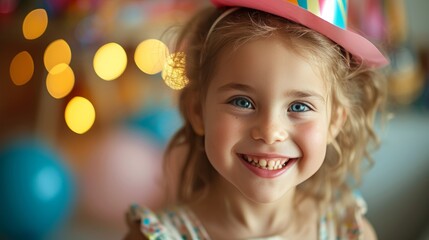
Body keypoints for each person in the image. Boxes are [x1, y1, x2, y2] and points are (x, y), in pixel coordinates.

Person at [125, 0, 388, 239]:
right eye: (242, 102)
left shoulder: (350, 233)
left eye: (299, 106)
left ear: (334, 122)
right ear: (197, 110)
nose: (270, 131)